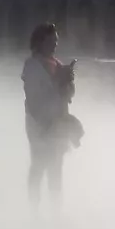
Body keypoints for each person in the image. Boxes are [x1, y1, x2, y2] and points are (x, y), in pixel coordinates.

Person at [22, 23, 75, 208]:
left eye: (56, 41)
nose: (55, 45)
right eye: (51, 41)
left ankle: (56, 211)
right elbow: (35, 98)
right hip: (39, 123)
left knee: (56, 167)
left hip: (58, 121)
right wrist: (59, 82)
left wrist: (68, 80)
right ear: (40, 42)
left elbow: (67, 96)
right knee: (39, 165)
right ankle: (34, 210)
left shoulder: (56, 63)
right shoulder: (32, 66)